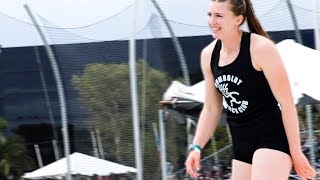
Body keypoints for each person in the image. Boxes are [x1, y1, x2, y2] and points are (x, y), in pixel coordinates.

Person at [185, 0, 317, 179]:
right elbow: (211, 108)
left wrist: (296, 153)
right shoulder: (209, 55)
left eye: (219, 16)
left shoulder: (260, 48)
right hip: (241, 145)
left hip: (271, 139)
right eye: (210, 15)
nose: (212, 22)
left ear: (238, 20)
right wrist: (196, 147)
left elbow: (286, 104)